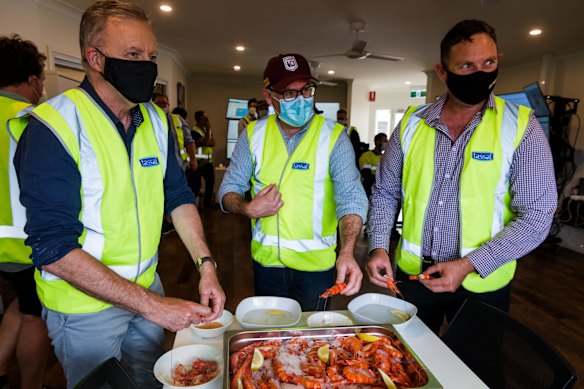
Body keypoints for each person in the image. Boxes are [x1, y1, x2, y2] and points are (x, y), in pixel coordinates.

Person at [13, 1, 226, 387]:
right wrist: (154, 306)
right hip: (84, 309)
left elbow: (177, 196)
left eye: (151, 56)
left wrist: (205, 265)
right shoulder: (53, 127)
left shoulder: (157, 121)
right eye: (132, 54)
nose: (147, 65)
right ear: (95, 58)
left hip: (146, 287)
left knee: (148, 380)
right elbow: (53, 248)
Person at [366, 19, 557, 335]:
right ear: (443, 72)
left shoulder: (521, 127)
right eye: (467, 66)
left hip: (481, 282)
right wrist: (379, 246)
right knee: (408, 366)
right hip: (414, 278)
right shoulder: (412, 124)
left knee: (475, 374)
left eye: (489, 63)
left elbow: (536, 216)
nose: (481, 73)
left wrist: (468, 265)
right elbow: (386, 191)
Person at [219, 53, 368, 311]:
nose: (300, 100)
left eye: (306, 90)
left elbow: (351, 198)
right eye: (289, 93)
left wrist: (347, 251)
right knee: (271, 339)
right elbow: (228, 189)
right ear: (268, 96)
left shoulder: (334, 136)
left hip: (317, 267)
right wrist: (247, 208)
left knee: (311, 342)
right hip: (267, 265)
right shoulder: (253, 134)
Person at [0, 33, 50, 389]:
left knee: (15, 305)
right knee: (35, 317)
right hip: (22, 245)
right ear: (32, 80)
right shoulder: (32, 120)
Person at [192, 110, 216, 208]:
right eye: (205, 118)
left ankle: (207, 204)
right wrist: (208, 131)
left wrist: (208, 134)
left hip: (208, 162)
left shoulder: (206, 131)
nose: (207, 120)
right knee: (196, 185)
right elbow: (205, 142)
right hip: (198, 162)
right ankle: (196, 205)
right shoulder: (194, 131)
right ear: (199, 119)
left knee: (210, 183)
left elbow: (213, 142)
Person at [358, 132, 388, 197]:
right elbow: (366, 175)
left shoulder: (385, 158)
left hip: (382, 191)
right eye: (385, 141)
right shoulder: (366, 156)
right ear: (377, 142)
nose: (387, 143)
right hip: (369, 190)